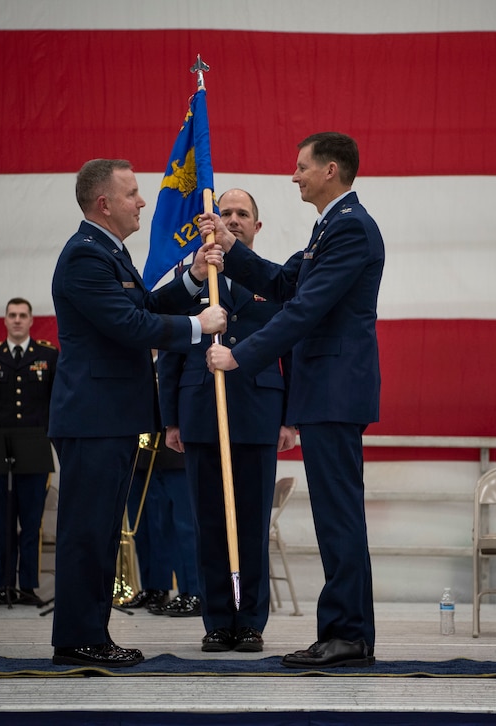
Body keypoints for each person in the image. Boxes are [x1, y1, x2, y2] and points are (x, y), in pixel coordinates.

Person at [201, 133, 384, 668]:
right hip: (326, 390)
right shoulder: (331, 225)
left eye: (301, 167)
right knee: (334, 516)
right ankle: (344, 631)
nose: (294, 175)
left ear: (330, 169)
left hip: (335, 389)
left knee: (339, 516)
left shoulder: (349, 227)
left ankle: (347, 634)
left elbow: (305, 309)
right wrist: (232, 251)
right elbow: (284, 282)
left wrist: (241, 357)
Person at [48, 158, 226, 668]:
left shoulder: (108, 253)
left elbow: (144, 305)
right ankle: (79, 638)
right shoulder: (85, 257)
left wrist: (192, 278)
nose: (143, 202)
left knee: (103, 530)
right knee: (88, 531)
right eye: (132, 194)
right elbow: (129, 324)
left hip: (111, 416)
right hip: (93, 417)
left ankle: (91, 634)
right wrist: (198, 326)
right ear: (104, 204)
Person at [160, 188, 296, 653]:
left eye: (242, 214)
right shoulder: (192, 279)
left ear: (257, 227)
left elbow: (291, 350)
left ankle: (251, 621)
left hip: (259, 414)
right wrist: (170, 419)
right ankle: (217, 620)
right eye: (225, 212)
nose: (232, 219)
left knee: (253, 525)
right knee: (209, 524)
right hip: (199, 412)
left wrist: (290, 419)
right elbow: (171, 351)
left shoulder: (276, 281)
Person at [0, 297, 58, 606]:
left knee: (31, 522)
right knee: (2, 521)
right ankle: (4, 584)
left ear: (31, 320)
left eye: (23, 315)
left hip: (35, 449)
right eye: (12, 315)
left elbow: (56, 403)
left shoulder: (47, 354)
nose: (17, 320)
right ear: (5, 320)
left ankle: (27, 587)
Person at [118, 427, 202, 617]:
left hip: (174, 449)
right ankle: (154, 586)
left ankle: (193, 591)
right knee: (149, 527)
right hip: (142, 452)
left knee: (182, 528)